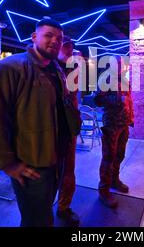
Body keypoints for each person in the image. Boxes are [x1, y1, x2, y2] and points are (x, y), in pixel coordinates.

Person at [0, 18, 81, 227]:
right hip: (32, 164)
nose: (55, 41)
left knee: (42, 213)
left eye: (59, 38)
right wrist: (7, 163)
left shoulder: (55, 69)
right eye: (48, 36)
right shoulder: (11, 67)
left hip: (55, 157)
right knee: (37, 221)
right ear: (34, 37)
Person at [95, 60, 134, 208]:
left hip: (124, 124)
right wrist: (117, 99)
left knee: (120, 155)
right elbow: (98, 99)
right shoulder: (106, 79)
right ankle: (104, 189)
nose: (122, 67)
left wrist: (131, 118)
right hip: (111, 124)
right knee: (108, 157)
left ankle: (114, 180)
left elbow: (129, 100)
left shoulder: (124, 79)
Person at [56, 36, 80, 226]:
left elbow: (72, 98)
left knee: (68, 172)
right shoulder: (46, 68)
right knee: (48, 173)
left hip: (68, 129)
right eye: (66, 47)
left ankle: (63, 207)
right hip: (49, 130)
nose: (70, 50)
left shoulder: (72, 69)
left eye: (71, 48)